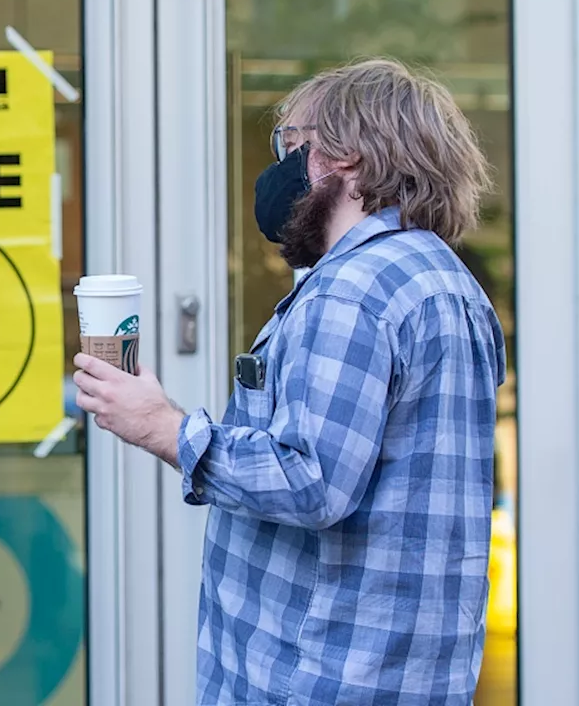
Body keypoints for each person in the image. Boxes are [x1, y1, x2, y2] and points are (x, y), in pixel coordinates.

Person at [74, 58, 505, 705]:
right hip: (406, 675)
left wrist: (164, 427)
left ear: (348, 157)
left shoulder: (354, 289)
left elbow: (311, 481)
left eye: (291, 145)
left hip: (319, 676)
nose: (278, 172)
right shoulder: (445, 280)